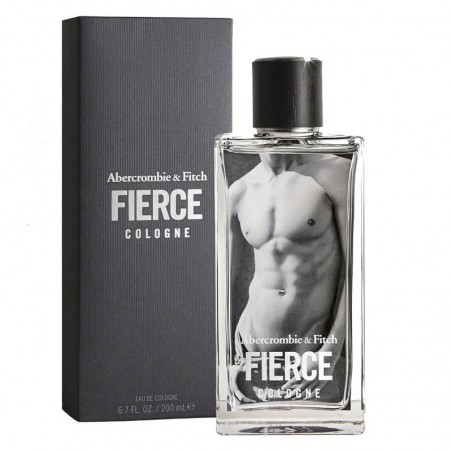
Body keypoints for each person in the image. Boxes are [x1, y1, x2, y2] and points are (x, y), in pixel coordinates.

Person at [229, 153, 351, 403]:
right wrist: (224, 359)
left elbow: (356, 268)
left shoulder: (337, 172)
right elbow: (222, 284)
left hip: (312, 355)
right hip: (249, 355)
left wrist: (331, 350)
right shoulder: (239, 191)